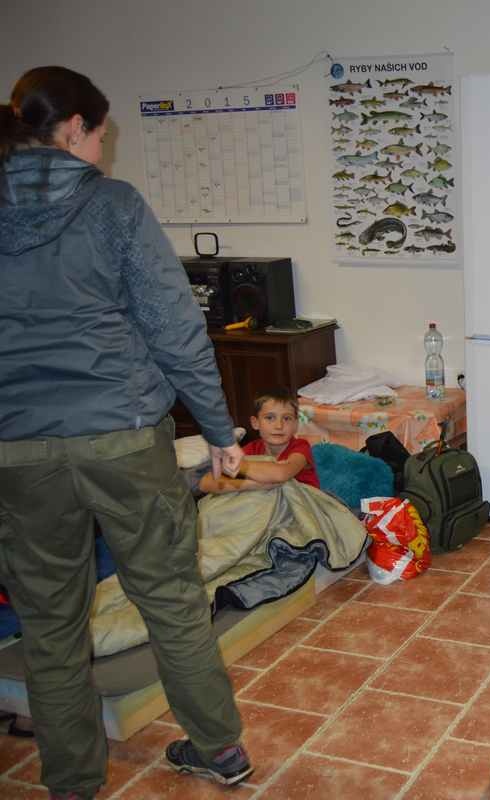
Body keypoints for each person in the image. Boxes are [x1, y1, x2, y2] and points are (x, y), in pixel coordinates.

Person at [0, 67, 252, 798]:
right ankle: (219, 748)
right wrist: (218, 427)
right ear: (74, 126)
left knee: (49, 625)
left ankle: (73, 782)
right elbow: (174, 326)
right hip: (123, 434)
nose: (104, 147)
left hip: (18, 449)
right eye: (101, 132)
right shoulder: (113, 205)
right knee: (171, 598)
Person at [199, 389, 319, 494]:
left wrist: (238, 467)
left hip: (302, 505)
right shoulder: (251, 449)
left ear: (295, 425)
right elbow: (205, 483)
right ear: (255, 423)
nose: (279, 426)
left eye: (287, 418)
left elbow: (281, 473)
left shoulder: (300, 446)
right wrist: (252, 485)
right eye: (270, 418)